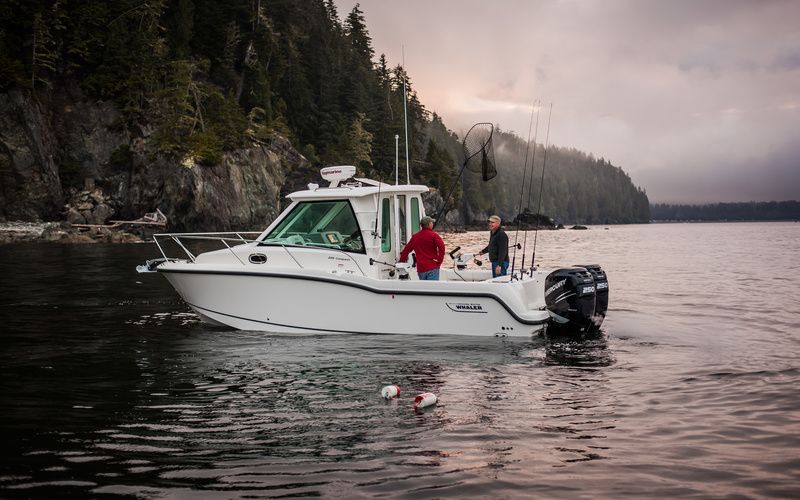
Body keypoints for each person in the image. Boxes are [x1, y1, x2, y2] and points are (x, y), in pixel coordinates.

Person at [399, 216, 445, 280]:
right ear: (429, 224)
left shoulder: (415, 237)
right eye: (432, 222)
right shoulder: (434, 235)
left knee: (424, 288)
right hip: (432, 267)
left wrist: (401, 262)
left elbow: (406, 250)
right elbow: (442, 247)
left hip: (421, 269)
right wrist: (440, 260)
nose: (432, 224)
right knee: (432, 288)